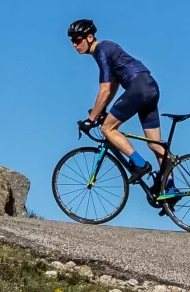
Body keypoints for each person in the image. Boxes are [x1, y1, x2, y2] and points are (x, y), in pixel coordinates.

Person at [70, 19, 176, 201]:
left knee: (107, 129)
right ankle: (171, 190)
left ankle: (140, 164)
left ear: (89, 37)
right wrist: (100, 112)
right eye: (72, 41)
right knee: (155, 144)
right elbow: (112, 88)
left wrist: (91, 119)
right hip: (150, 87)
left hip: (139, 89)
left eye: (78, 40)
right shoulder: (108, 49)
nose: (74, 45)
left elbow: (104, 91)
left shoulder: (101, 50)